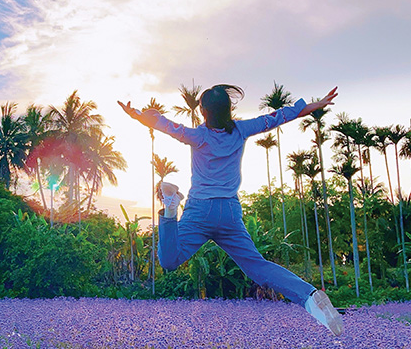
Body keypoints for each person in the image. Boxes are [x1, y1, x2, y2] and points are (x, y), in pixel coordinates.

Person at [118, 84, 343, 336]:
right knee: (257, 267)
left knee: (169, 260)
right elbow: (276, 117)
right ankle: (310, 296)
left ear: (203, 111)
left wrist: (139, 114)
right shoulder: (241, 130)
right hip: (229, 213)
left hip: (200, 211)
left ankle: (171, 211)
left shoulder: (198, 135)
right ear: (230, 108)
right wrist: (309, 107)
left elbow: (169, 127)